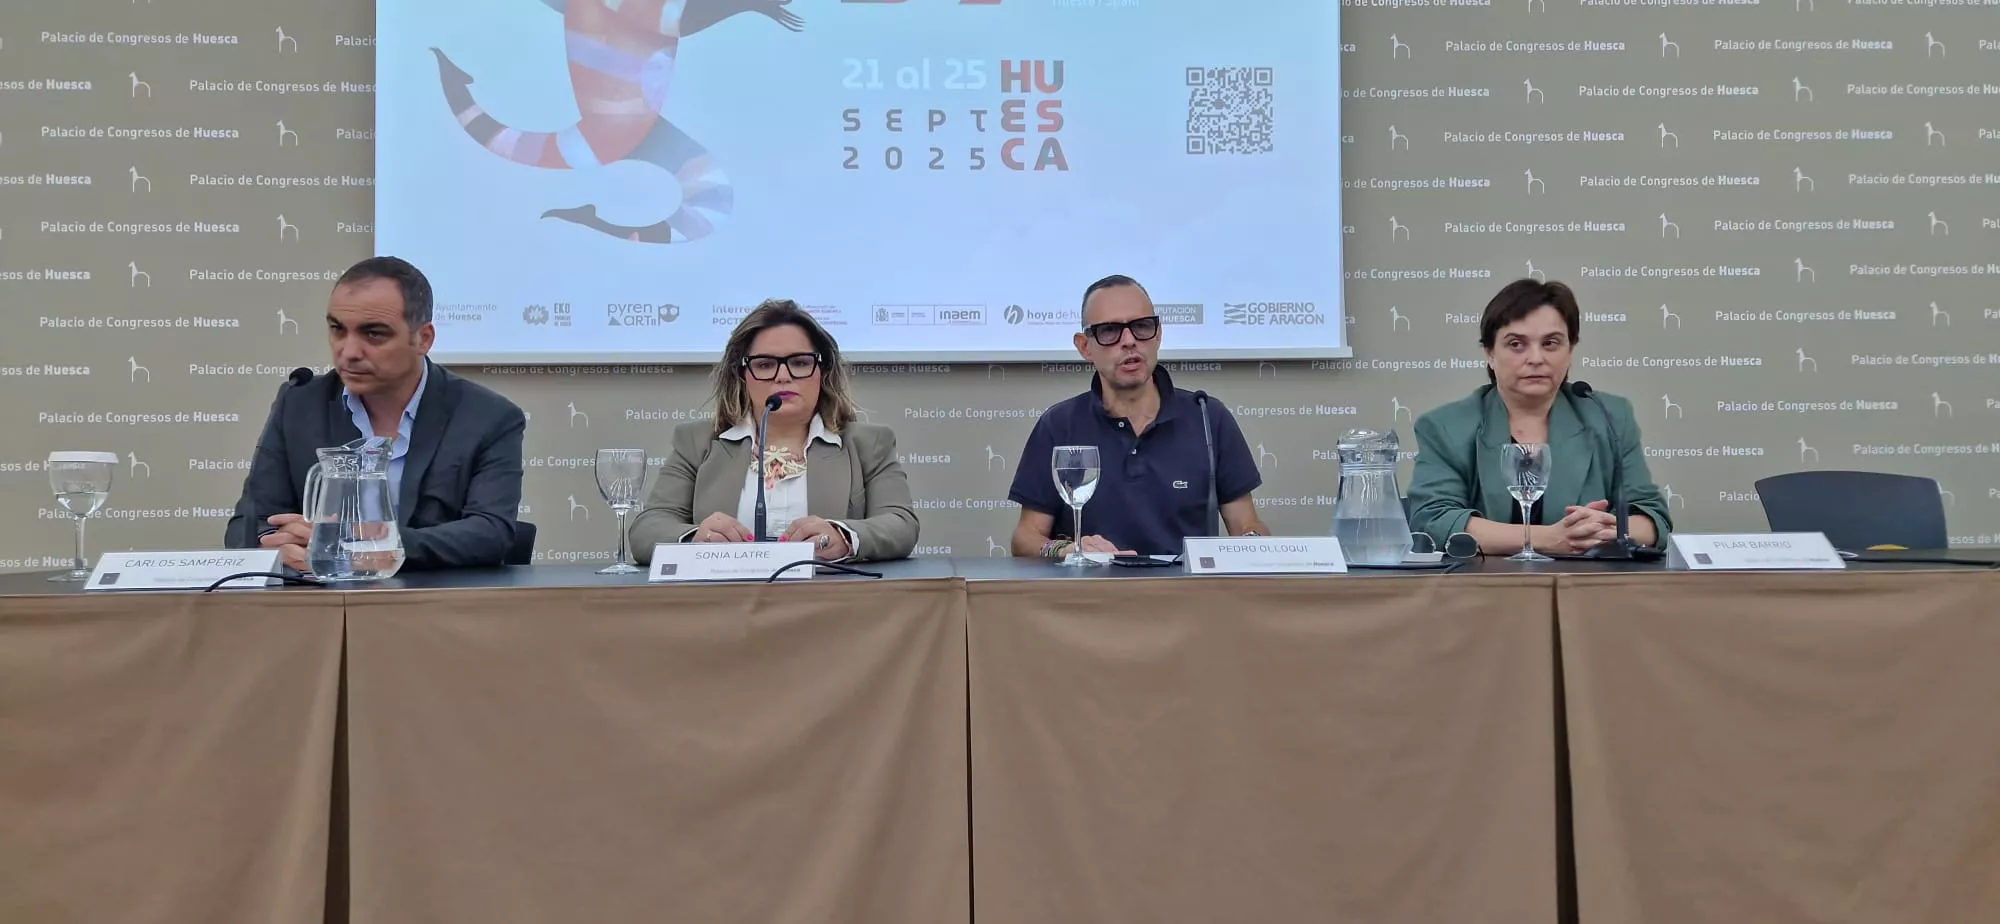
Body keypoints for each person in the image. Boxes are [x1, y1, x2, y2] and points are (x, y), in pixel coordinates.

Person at [224, 256, 528, 570]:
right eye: (337, 330)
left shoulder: (489, 417)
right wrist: (274, 542)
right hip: (317, 604)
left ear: (423, 338)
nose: (349, 351)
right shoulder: (300, 403)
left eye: (374, 334)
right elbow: (246, 526)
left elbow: (491, 532)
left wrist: (381, 543)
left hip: (431, 604)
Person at [628, 299, 918, 563]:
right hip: (723, 607)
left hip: (831, 606)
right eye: (765, 364)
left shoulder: (868, 444)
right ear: (743, 375)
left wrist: (844, 537)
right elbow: (647, 529)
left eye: (800, 363)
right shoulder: (697, 442)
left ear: (823, 370)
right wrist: (696, 540)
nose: (783, 376)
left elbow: (900, 523)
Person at [1008, 274, 1267, 558]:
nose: (1129, 341)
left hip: (1187, 598)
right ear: (1085, 347)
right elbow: (1025, 538)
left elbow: (1246, 525)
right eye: (1109, 331)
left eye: (1141, 327)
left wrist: (1250, 542)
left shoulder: (1207, 417)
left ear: (1158, 334)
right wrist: (1065, 549)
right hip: (1093, 596)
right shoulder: (1059, 425)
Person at [1406, 278, 1672, 555]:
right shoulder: (1446, 426)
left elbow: (1653, 519)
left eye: (1550, 343)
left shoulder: (1609, 417)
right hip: (1480, 589)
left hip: (1589, 588)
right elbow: (1432, 522)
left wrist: (1605, 529)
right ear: (1490, 354)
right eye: (1517, 344)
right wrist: (1543, 539)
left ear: (1570, 351)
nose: (1536, 358)